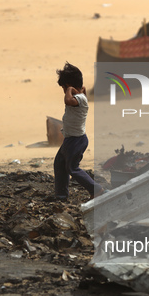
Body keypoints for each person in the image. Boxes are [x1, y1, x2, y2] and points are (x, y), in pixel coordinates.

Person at [52, 62, 104, 201]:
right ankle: (61, 195)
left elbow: (68, 100)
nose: (64, 90)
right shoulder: (82, 96)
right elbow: (83, 90)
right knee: (59, 164)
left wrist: (69, 90)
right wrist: (75, 89)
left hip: (75, 140)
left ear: (69, 85)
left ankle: (96, 189)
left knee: (72, 168)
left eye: (64, 87)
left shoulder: (78, 99)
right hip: (71, 139)